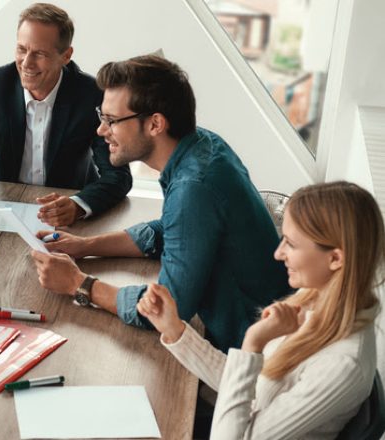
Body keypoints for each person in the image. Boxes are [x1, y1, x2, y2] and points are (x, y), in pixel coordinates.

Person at [31, 55, 289, 352]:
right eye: (102, 117)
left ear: (155, 123)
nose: (101, 131)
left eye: (111, 121)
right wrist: (85, 246)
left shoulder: (194, 188)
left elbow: (166, 309)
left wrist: (79, 284)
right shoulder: (203, 145)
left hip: (245, 351)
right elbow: (171, 229)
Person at [138, 181, 382, 438]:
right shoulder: (314, 299)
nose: (278, 253)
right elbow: (246, 388)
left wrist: (254, 343)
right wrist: (174, 329)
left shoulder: (342, 365)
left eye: (291, 243)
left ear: (335, 259)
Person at [0, 3, 131, 227]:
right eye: (21, 49)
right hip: (0, 204)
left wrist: (78, 204)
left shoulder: (91, 94)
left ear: (66, 55)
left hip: (65, 208)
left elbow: (118, 176)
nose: (26, 63)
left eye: (39, 53)